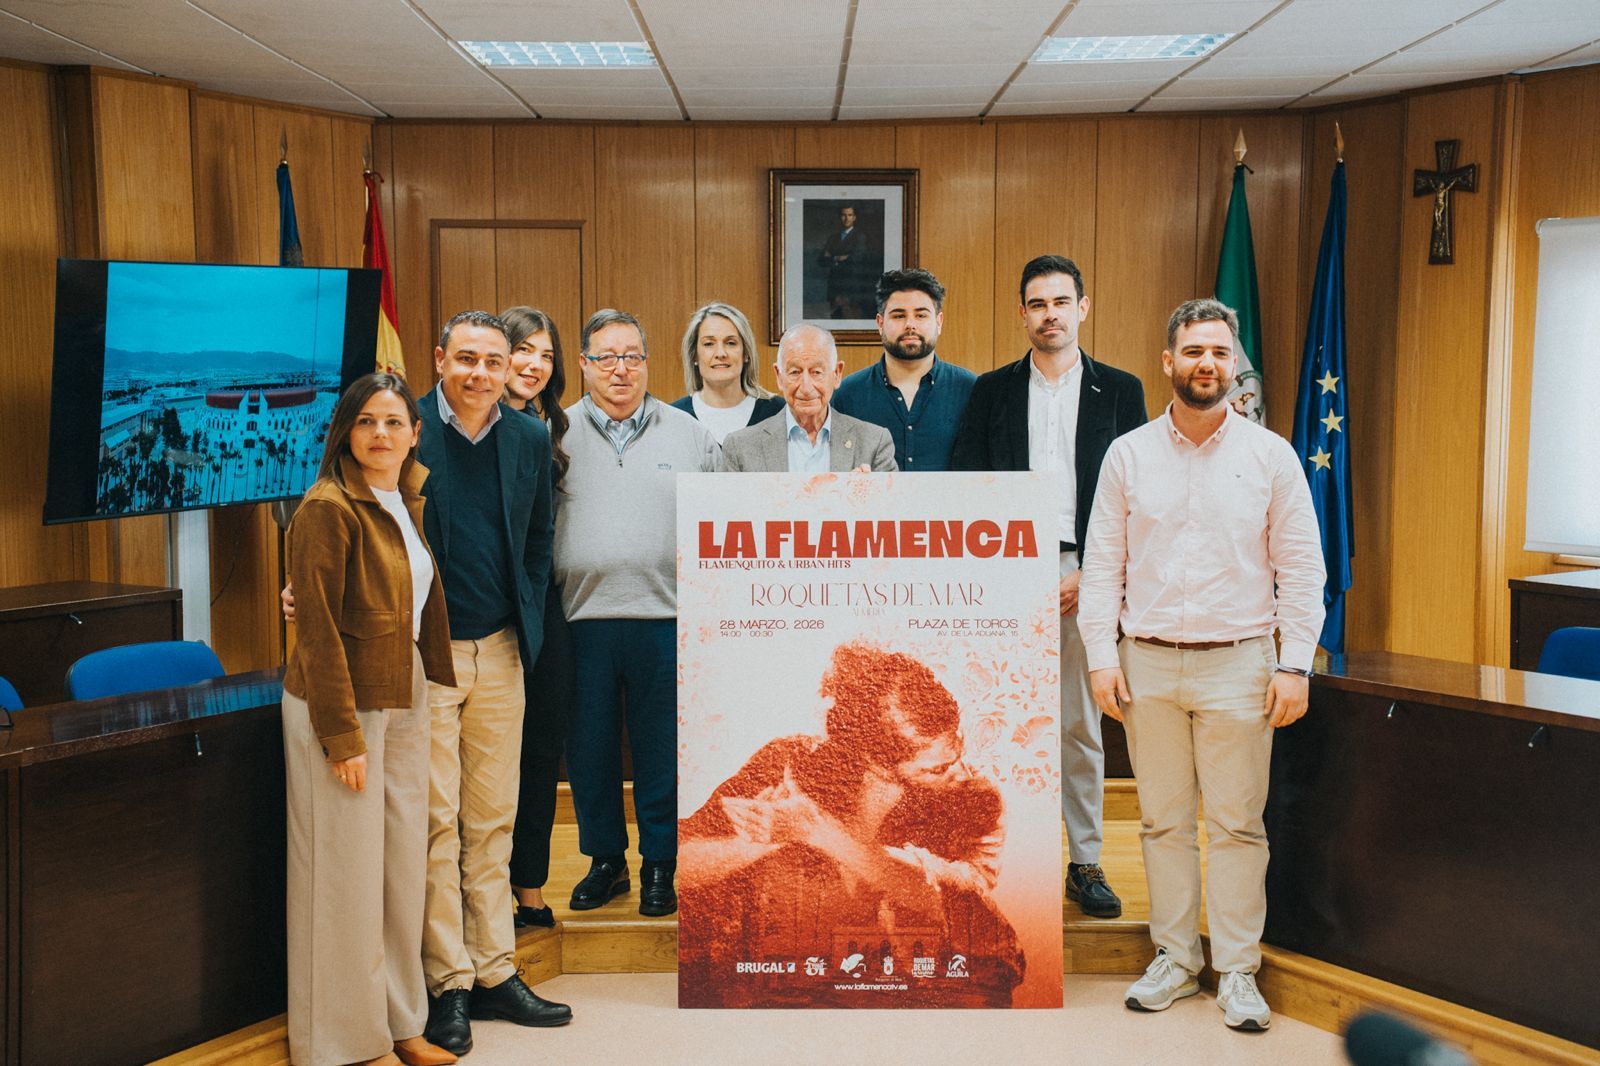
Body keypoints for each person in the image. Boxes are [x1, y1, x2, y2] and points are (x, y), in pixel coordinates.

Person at [1077, 297, 1325, 1031]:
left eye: (1219, 352)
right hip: (1146, 665)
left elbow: (1301, 569)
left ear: (1234, 363)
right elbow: (1102, 571)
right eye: (1192, 352)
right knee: (1162, 824)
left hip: (1241, 667)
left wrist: (1294, 665)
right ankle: (1177, 959)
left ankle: (1239, 970)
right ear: (1168, 362)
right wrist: (1099, 658)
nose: (1206, 364)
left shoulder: (1270, 456)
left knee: (1238, 825)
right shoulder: (1128, 455)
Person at [950, 254, 1146, 921]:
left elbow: (1135, 496)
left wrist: (1095, 573)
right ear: (1022, 312)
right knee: (993, 724)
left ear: (1083, 308)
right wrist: (998, 573)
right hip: (1002, 575)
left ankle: (1085, 861)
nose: (1050, 314)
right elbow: (965, 487)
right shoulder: (992, 390)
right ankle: (1007, 863)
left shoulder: (1121, 390)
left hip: (1085, 570)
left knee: (1076, 725)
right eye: (1037, 303)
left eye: (1061, 301)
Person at [678, 642, 1024, 1008]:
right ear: (876, 762)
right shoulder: (790, 762)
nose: (960, 770)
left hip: (913, 989)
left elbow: (958, 902)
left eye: (958, 749)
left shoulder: (976, 799)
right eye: (937, 768)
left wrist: (817, 831)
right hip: (785, 986)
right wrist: (761, 839)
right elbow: (684, 863)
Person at [280, 372, 458, 1066]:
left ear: (415, 434)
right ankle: (346, 1044)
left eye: (394, 422)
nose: (380, 435)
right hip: (343, 702)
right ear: (345, 433)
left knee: (397, 869)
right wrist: (340, 735)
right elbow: (317, 632)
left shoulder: (400, 497)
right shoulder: (327, 507)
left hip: (402, 689)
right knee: (344, 876)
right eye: (366, 422)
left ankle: (400, 1023)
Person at [415, 310, 569, 1051]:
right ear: (439, 358)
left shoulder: (529, 437)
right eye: (466, 359)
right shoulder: (400, 426)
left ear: (511, 369)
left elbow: (538, 539)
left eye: (493, 362)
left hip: (501, 651)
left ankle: (495, 970)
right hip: (426, 657)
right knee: (438, 824)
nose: (480, 375)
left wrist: (524, 620)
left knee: (493, 820)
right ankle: (447, 982)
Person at [557, 308, 723, 919]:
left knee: (663, 752)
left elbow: (723, 525)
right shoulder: (555, 432)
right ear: (583, 365)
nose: (620, 369)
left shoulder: (691, 435)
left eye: (632, 356)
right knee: (590, 750)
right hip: (582, 621)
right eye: (606, 357)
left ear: (648, 362)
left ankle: (661, 864)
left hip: (668, 618)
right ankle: (606, 863)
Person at [499, 306, 574, 929]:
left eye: (545, 355)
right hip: (484, 610)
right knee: (486, 756)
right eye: (524, 349)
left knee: (541, 749)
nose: (533, 364)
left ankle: (528, 884)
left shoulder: (549, 427)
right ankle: (484, 886)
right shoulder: (466, 426)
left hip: (544, 608)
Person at [832, 268, 976, 471]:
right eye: (899, 316)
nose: (910, 325)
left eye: (921, 315)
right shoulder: (847, 394)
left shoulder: (971, 390)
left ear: (939, 322)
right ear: (880, 323)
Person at [721, 322, 897, 473]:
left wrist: (865, 496)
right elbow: (730, 512)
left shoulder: (874, 443)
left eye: (817, 372)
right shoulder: (740, 448)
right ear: (779, 376)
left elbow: (891, 510)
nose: (806, 387)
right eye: (795, 372)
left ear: (836, 374)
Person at [669, 302, 783, 442]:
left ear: (746, 353)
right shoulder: (673, 417)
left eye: (730, 343)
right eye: (709, 344)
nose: (721, 353)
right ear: (694, 355)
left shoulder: (778, 412)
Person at [819, 205, 868, 318]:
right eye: (843, 215)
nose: (846, 218)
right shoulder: (833, 238)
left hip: (851, 284)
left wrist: (832, 257)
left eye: (849, 215)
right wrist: (839, 258)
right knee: (835, 319)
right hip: (834, 285)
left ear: (854, 217)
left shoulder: (859, 237)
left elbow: (857, 258)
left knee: (851, 319)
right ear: (840, 217)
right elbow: (822, 260)